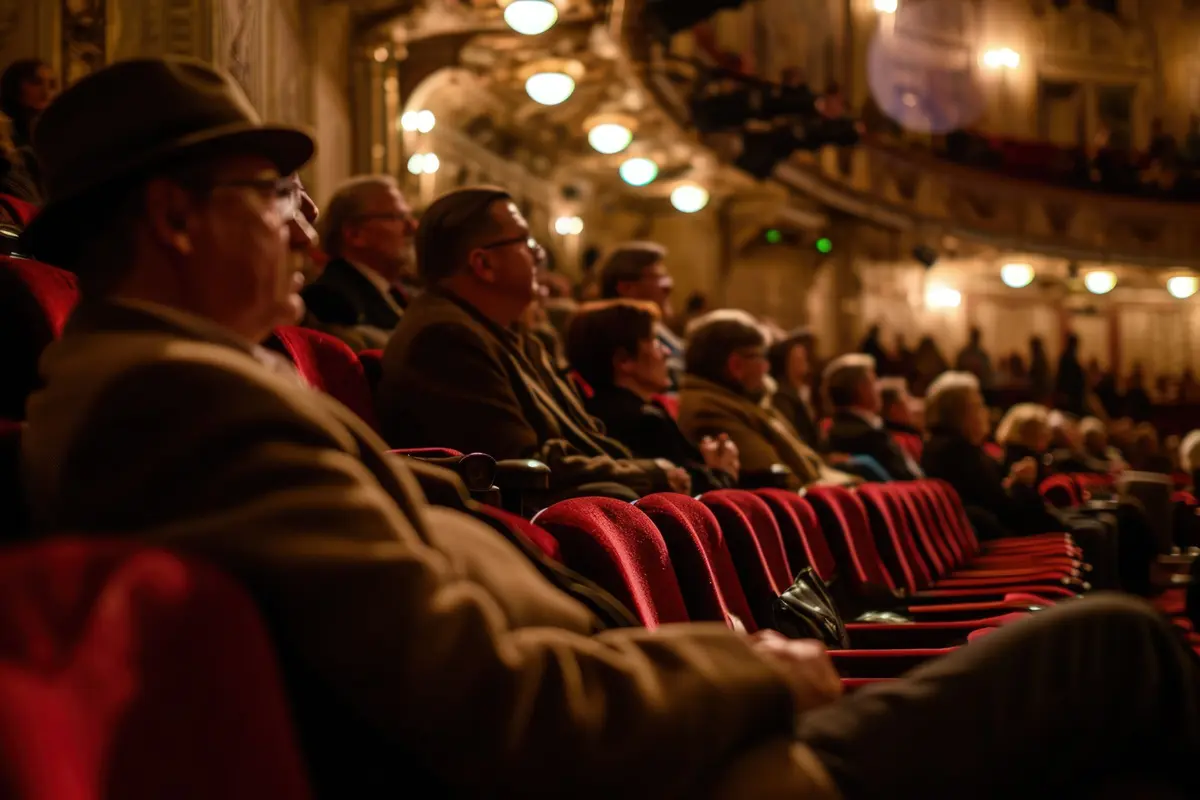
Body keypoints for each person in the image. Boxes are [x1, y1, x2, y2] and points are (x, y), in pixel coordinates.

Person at [19, 56, 1200, 800]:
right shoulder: (183, 406)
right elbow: (493, 710)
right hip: (685, 764)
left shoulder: (180, 385)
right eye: (271, 196)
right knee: (1115, 647)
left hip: (657, 723)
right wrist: (752, 669)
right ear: (171, 217)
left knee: (1105, 649)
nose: (302, 228)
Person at [377, 186, 686, 501]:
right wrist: (649, 474)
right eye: (524, 241)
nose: (539, 255)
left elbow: (584, 437)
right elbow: (520, 465)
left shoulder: (506, 334)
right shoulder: (445, 338)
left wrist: (652, 470)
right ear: (483, 264)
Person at [565, 300, 738, 494]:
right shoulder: (643, 422)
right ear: (624, 360)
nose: (666, 352)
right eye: (655, 341)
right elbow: (697, 498)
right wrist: (723, 471)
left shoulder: (597, 410)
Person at [677, 310, 857, 489]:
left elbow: (813, 468)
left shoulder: (743, 401)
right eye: (762, 356)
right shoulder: (709, 411)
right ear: (736, 365)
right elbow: (782, 484)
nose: (767, 367)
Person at [301, 175, 419, 350]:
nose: (413, 227)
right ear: (354, 234)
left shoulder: (401, 292)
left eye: (410, 216)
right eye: (398, 217)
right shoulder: (331, 300)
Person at [597, 241, 684, 391]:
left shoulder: (654, 327)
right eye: (657, 277)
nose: (668, 287)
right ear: (625, 287)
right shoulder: (618, 336)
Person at [823, 354, 921, 482]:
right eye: (874, 381)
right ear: (862, 389)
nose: (879, 388)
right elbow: (909, 478)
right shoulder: (870, 436)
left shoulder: (833, 432)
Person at [767, 328, 823, 451]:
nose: (804, 360)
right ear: (787, 361)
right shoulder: (782, 396)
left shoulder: (802, 390)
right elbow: (795, 437)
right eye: (799, 357)